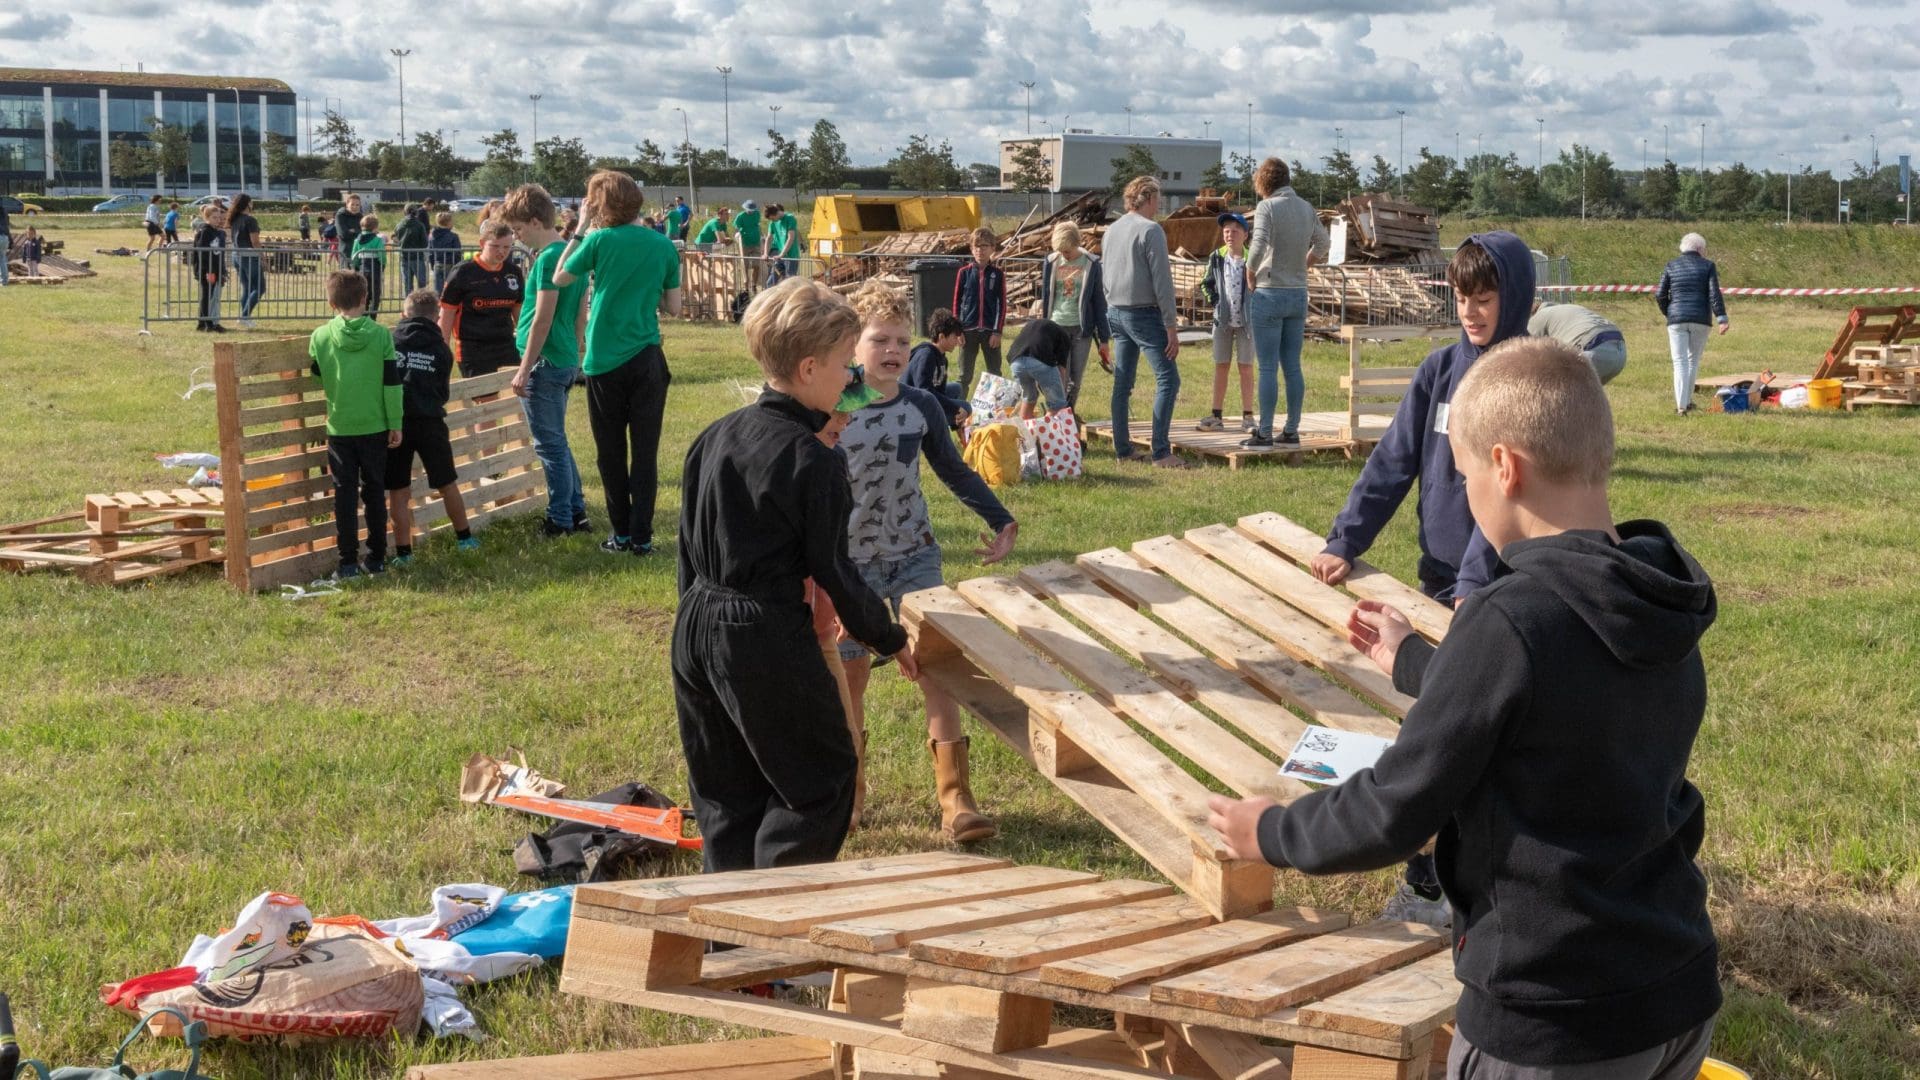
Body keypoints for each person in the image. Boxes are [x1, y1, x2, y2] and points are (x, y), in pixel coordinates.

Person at [1209, 336, 1719, 1080]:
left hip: (1552, 1021)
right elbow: (1554, 694)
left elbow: (1395, 808)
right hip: (1676, 993)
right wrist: (1412, 659)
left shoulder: (1508, 619)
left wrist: (1272, 832)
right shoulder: (1654, 596)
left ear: (1505, 467)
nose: (1466, 492)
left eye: (1463, 473)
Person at [1309, 231, 1535, 925]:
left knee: (1472, 737)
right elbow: (1394, 460)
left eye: (1485, 299)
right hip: (1437, 581)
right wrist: (1347, 539)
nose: (1471, 312)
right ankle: (1432, 877)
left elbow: (1510, 492)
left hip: (1499, 587)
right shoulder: (1439, 370)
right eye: (1462, 298)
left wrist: (1476, 581)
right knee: (1428, 728)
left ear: (1515, 299)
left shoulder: (1526, 381)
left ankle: (1459, 882)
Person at [673, 276, 920, 873]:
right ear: (809, 369)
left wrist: (696, 628)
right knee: (821, 780)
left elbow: (687, 548)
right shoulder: (811, 459)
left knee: (727, 795)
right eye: (845, 364)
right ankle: (775, 913)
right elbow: (835, 569)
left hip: (695, 626)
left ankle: (727, 918)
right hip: (761, 632)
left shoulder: (715, 435)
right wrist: (889, 636)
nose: (852, 377)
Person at [835, 280, 1018, 843]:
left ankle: (956, 798)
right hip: (850, 567)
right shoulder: (835, 406)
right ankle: (848, 795)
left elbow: (953, 469)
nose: (892, 351)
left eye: (900, 340)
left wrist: (1001, 518)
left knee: (936, 668)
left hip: (915, 555)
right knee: (850, 678)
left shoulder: (921, 407)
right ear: (853, 345)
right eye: (879, 340)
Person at [555, 169, 683, 555]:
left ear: (600, 204)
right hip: (647, 357)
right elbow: (674, 307)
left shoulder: (598, 240)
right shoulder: (662, 245)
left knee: (610, 452)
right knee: (645, 453)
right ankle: (643, 538)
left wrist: (580, 227)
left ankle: (621, 534)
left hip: (604, 358)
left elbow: (560, 277)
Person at [502, 183, 593, 538]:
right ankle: (576, 511)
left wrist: (525, 368)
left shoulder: (548, 259)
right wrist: (576, 350)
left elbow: (543, 317)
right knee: (558, 441)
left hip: (545, 362)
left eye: (518, 229)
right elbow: (580, 314)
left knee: (549, 445)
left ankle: (560, 520)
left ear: (536, 222)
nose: (517, 236)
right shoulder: (573, 254)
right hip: (564, 356)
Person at [308, 270, 403, 581]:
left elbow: (317, 371)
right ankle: (376, 558)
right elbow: (392, 383)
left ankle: (347, 562)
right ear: (365, 298)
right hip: (375, 426)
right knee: (374, 491)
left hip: (340, 427)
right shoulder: (381, 335)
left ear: (331, 302)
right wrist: (395, 422)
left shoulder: (320, 336)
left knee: (344, 495)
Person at [386, 287, 478, 566]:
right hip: (431, 423)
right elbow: (442, 391)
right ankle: (465, 539)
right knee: (447, 483)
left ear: (404, 314)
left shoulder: (390, 343)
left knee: (398, 490)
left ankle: (404, 554)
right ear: (436, 316)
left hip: (397, 424)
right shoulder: (441, 348)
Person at [1244, 157, 1329, 448]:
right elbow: (1323, 243)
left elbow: (1258, 244)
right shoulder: (1306, 207)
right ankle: (1291, 430)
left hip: (1269, 291)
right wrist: (1305, 263)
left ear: (1263, 182)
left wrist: (1250, 270)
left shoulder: (1267, 207)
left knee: (1267, 367)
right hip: (1297, 292)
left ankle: (1265, 432)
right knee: (1292, 365)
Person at [1103, 176, 1184, 468]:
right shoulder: (1151, 230)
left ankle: (1123, 450)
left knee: (1123, 383)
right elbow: (1162, 281)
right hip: (1144, 314)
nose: (1159, 204)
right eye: (1158, 198)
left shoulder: (1111, 230)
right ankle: (1161, 452)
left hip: (1115, 311)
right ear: (1149, 198)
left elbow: (1105, 273)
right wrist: (1171, 326)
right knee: (1168, 379)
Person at [1037, 220, 1110, 411]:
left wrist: (1104, 339)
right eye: (1061, 251)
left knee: (1075, 380)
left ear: (1076, 244)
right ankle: (1057, 414)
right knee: (1059, 377)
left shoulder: (1091, 264)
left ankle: (1069, 415)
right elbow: (1046, 295)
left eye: (1067, 251)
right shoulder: (1051, 262)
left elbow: (1099, 301)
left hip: (1081, 329)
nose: (1064, 255)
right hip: (1056, 326)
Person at [438, 221, 524, 378]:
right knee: (484, 393)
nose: (501, 251)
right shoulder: (463, 272)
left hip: (506, 345)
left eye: (506, 247)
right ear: (482, 243)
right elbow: (446, 314)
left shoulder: (514, 272)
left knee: (514, 392)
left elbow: (519, 312)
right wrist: (441, 350)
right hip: (473, 349)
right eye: (495, 246)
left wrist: (527, 342)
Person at [1656, 233, 1729, 416]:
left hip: (1676, 319)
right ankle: (1687, 402)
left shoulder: (1671, 265)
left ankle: (1681, 406)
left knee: (1679, 362)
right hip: (1701, 319)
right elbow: (1714, 294)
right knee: (1692, 361)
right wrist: (1721, 318)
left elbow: (1660, 294)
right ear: (1699, 248)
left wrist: (1669, 312)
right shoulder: (1708, 265)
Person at [1199, 212, 1255, 432]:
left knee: (1246, 367)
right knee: (1221, 365)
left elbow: (1260, 285)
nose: (1230, 235)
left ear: (1245, 235)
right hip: (1222, 320)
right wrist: (1216, 302)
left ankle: (1248, 416)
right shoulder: (1216, 256)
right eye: (1226, 231)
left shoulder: (1253, 257)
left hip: (1247, 322)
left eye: (1235, 231)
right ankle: (1216, 414)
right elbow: (1206, 283)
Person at [951, 227, 1007, 394]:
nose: (980, 250)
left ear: (992, 248)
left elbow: (1002, 304)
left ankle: (994, 408)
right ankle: (959, 408)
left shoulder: (998, 274)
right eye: (976, 246)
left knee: (995, 373)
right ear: (971, 248)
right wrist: (958, 330)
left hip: (990, 332)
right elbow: (956, 302)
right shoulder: (963, 273)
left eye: (984, 246)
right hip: (968, 331)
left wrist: (997, 331)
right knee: (964, 375)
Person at [1529, 302, 1627, 385]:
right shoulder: (1567, 308)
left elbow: (1528, 349)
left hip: (1593, 348)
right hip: (1620, 351)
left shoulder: (1539, 316)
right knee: (1587, 395)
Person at [905, 307, 970, 430]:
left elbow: (940, 391)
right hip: (912, 405)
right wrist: (955, 408)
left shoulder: (943, 359)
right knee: (966, 407)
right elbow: (923, 390)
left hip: (926, 398)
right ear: (941, 337)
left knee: (956, 388)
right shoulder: (926, 355)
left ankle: (953, 425)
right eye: (954, 337)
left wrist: (952, 409)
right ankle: (935, 429)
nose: (957, 342)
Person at [1006, 317, 1074, 419]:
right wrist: (1061, 393)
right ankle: (1047, 428)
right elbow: (1061, 370)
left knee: (1029, 397)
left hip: (1016, 362)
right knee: (1058, 405)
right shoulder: (1065, 337)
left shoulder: (1035, 325)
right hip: (1039, 361)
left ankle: (1025, 426)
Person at [228, 193, 264, 329]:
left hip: (237, 255)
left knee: (247, 288)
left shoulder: (235, 219)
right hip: (249, 257)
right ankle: (244, 316)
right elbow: (255, 242)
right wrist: (263, 257)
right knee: (259, 288)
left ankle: (245, 317)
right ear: (248, 204)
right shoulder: (250, 220)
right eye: (251, 202)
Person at [191, 204, 229, 332]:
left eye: (219, 217)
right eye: (214, 217)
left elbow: (220, 253)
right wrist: (208, 271)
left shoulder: (218, 232)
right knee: (207, 296)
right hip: (206, 270)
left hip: (217, 268)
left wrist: (222, 270)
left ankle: (203, 323)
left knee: (211, 295)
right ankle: (208, 323)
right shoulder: (205, 231)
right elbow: (202, 253)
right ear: (206, 218)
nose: (218, 220)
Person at [351, 213, 386, 318]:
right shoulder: (377, 240)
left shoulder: (357, 240)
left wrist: (356, 267)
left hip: (362, 269)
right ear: (375, 228)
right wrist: (383, 265)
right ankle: (373, 317)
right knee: (375, 295)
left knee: (364, 294)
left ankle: (363, 316)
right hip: (375, 268)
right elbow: (381, 255)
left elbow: (354, 256)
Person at [394, 202, 430, 296]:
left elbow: (396, 239)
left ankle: (408, 303)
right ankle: (422, 302)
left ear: (405, 212)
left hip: (404, 257)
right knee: (422, 284)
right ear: (416, 212)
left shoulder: (399, 225)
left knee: (407, 285)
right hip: (417, 257)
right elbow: (425, 243)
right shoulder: (420, 225)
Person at [764, 203, 802, 281]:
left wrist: (781, 254)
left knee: (789, 282)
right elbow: (769, 238)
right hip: (779, 257)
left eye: (772, 218)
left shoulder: (790, 218)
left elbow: (791, 238)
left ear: (776, 213)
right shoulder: (773, 223)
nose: (772, 221)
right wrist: (765, 253)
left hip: (791, 257)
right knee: (771, 281)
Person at [428, 211, 461, 295]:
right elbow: (457, 253)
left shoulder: (431, 236)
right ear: (448, 222)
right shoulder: (453, 236)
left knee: (438, 292)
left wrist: (432, 265)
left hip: (437, 265)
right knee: (450, 291)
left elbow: (430, 253)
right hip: (450, 265)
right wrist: (458, 267)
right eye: (452, 221)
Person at [734, 198, 764, 282]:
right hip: (745, 242)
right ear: (745, 208)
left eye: (752, 210)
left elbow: (757, 225)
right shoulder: (740, 216)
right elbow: (736, 228)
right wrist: (737, 235)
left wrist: (762, 235)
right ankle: (746, 283)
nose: (751, 212)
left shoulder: (757, 214)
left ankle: (754, 284)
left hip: (756, 242)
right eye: (749, 210)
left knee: (756, 265)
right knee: (745, 265)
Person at [334, 194, 363, 267]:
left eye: (357, 205)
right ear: (347, 204)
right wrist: (357, 232)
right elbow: (343, 234)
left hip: (359, 252)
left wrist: (353, 231)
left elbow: (363, 233)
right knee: (346, 273)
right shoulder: (340, 216)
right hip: (345, 252)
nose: (355, 207)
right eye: (352, 204)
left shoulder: (361, 217)